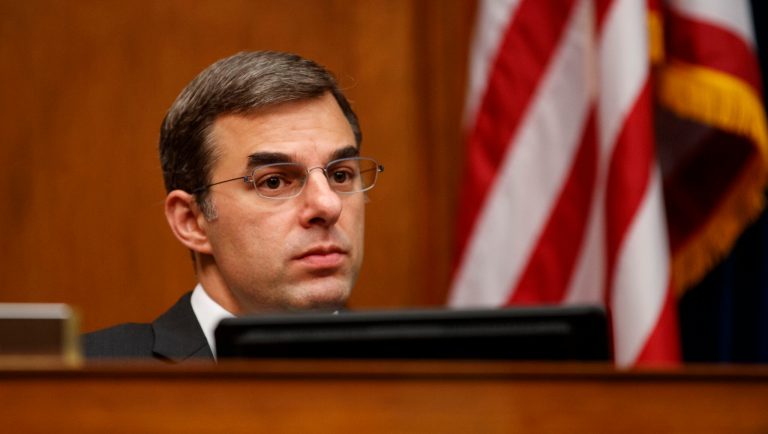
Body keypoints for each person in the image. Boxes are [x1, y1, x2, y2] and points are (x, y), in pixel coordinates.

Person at [83, 51, 382, 362]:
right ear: (192, 221)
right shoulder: (83, 375)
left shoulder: (422, 375)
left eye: (340, 175)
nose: (328, 204)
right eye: (274, 182)